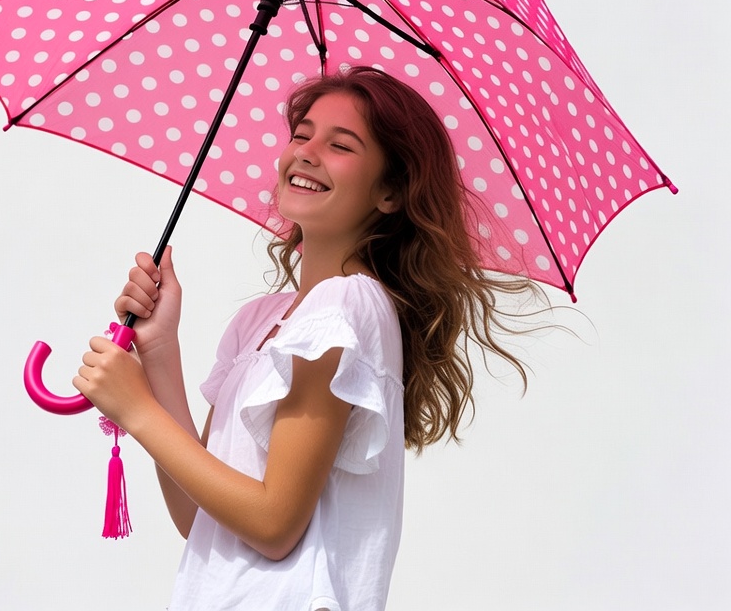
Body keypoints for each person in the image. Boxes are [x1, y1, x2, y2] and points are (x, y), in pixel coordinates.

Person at [73, 66, 536, 610]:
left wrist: (137, 412)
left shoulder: (345, 307)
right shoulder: (262, 320)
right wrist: (159, 352)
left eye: (341, 145)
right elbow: (200, 518)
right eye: (301, 134)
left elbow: (273, 524)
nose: (308, 152)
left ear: (388, 192)